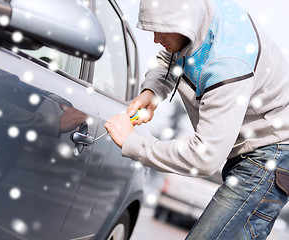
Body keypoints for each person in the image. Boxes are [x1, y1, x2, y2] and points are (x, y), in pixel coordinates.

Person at [104, 0, 289, 239]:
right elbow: (168, 56)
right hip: (252, 149)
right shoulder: (198, 20)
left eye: (161, 29)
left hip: (271, 152)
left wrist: (132, 143)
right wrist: (153, 91)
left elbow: (204, 158)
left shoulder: (228, 65)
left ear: (185, 23)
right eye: (152, 29)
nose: (155, 38)